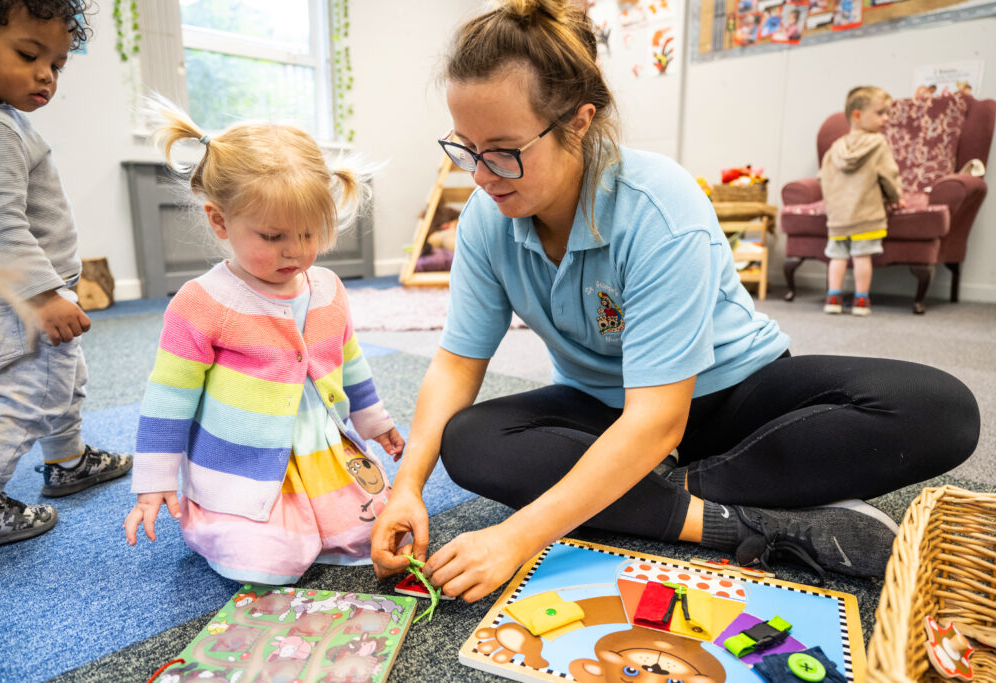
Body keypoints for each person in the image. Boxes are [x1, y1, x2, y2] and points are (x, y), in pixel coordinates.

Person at [370, 0, 979, 602]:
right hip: (608, 408)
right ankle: (742, 517)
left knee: (939, 409)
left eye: (502, 150)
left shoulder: (657, 205)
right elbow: (456, 363)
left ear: (578, 123)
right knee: (469, 440)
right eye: (464, 147)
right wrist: (408, 487)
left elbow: (660, 419)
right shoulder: (486, 218)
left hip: (731, 398)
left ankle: (664, 496)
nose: (480, 174)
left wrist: (518, 534)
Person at [122, 100, 405, 585]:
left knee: (376, 532)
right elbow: (168, 398)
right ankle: (237, 528)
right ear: (219, 221)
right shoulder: (201, 303)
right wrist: (154, 483)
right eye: (273, 236)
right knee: (265, 563)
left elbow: (349, 360)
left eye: (310, 233)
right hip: (242, 466)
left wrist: (374, 420)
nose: (295, 250)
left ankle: (321, 519)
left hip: (322, 452)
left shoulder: (329, 288)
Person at [0, 0, 132, 552]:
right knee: (25, 398)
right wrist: (43, 296)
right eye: (28, 53)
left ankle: (67, 462)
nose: (46, 74)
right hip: (23, 299)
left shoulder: (0, 118)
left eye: (58, 64)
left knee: (62, 382)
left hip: (28, 293)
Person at [820, 86, 903, 316]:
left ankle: (833, 298)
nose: (886, 118)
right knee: (861, 257)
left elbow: (823, 177)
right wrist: (896, 197)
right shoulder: (878, 144)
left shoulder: (835, 148)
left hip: (838, 217)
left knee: (837, 257)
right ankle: (861, 301)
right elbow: (889, 176)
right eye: (880, 113)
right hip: (866, 215)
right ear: (857, 115)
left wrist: (833, 205)